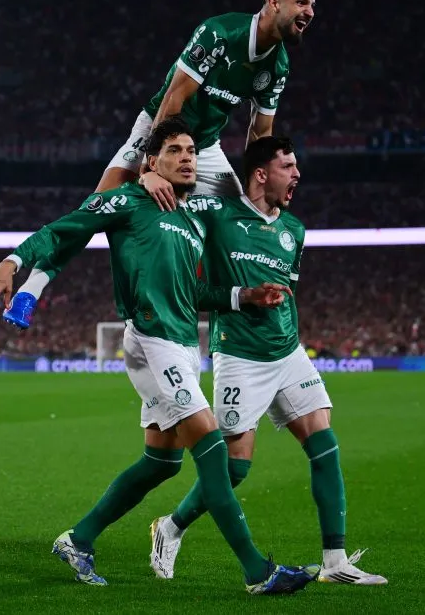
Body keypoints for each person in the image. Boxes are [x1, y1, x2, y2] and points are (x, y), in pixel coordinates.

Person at [0, 117, 318, 594]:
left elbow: (196, 291)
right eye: (175, 150)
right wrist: (13, 263)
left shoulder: (192, 217)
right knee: (211, 449)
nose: (187, 157)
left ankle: (78, 539)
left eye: (190, 151)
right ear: (153, 161)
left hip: (181, 341)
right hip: (152, 335)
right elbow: (65, 230)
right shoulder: (132, 201)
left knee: (162, 462)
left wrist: (243, 297)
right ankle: (257, 571)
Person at [4, 0, 318, 328]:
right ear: (273, 2)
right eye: (301, 2)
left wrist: (259, 187)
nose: (309, 11)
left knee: (241, 219)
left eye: (312, 5)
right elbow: (174, 98)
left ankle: (239, 318)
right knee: (97, 206)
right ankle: (31, 289)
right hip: (156, 129)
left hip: (205, 148)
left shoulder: (278, 65)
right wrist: (151, 170)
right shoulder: (220, 33)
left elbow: (261, 133)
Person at [148, 136, 387, 585]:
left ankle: (334, 562)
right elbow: (190, 283)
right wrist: (146, 174)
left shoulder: (294, 230)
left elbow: (287, 289)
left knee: (324, 441)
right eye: (288, 166)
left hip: (288, 351)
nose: (297, 175)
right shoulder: (217, 215)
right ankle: (170, 526)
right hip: (240, 356)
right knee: (235, 466)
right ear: (262, 173)